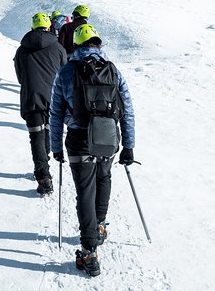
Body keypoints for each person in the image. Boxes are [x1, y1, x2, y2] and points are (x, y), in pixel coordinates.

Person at [49, 24, 135, 277]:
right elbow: (127, 110)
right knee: (104, 178)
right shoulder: (113, 71)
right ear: (99, 44)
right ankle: (99, 226)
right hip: (108, 138)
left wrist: (55, 147)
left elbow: (55, 113)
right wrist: (128, 146)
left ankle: (89, 251)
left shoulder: (66, 72)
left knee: (85, 191)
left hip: (78, 140)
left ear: (75, 45)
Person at [14, 12, 67, 195]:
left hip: (31, 98)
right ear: (48, 27)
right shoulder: (58, 48)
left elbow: (20, 77)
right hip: (53, 99)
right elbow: (64, 74)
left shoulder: (22, 49)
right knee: (48, 132)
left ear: (32, 27)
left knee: (36, 136)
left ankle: (43, 176)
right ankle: (44, 163)